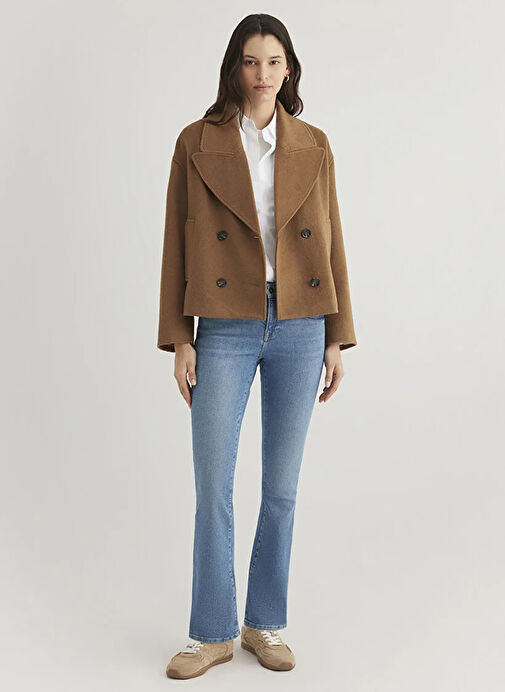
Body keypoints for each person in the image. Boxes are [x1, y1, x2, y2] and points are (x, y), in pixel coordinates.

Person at [157, 13, 357, 679]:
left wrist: (336, 336)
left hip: (301, 323)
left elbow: (331, 240)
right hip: (224, 324)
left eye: (274, 61)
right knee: (213, 484)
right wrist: (180, 338)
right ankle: (211, 632)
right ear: (234, 68)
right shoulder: (197, 142)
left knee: (282, 488)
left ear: (288, 68)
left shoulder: (313, 145)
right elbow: (175, 243)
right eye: (251, 61)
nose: (262, 73)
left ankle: (262, 623)